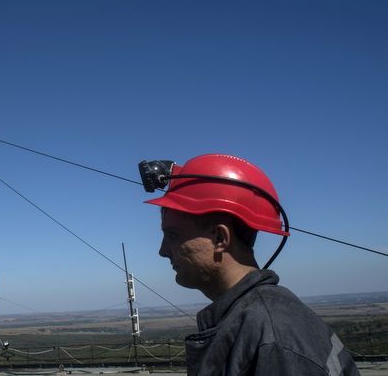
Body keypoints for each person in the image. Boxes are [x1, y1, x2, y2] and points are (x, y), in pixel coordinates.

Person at [139, 154, 359, 376]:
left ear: (219, 239)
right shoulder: (264, 322)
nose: (162, 251)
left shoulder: (272, 339)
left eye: (173, 235)